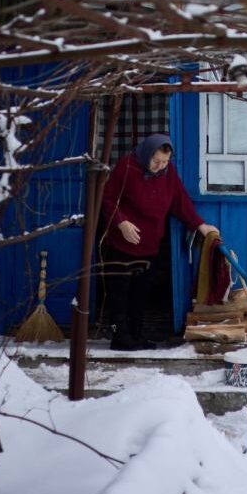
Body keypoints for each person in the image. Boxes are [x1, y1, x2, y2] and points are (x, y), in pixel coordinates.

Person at [99, 133, 218, 350]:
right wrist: (121, 223)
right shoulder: (126, 167)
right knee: (119, 292)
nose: (159, 166)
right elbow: (107, 199)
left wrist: (200, 225)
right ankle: (120, 338)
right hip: (122, 244)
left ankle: (136, 335)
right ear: (146, 154)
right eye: (156, 161)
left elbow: (179, 200)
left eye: (164, 162)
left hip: (150, 243)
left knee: (141, 293)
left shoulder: (167, 172)